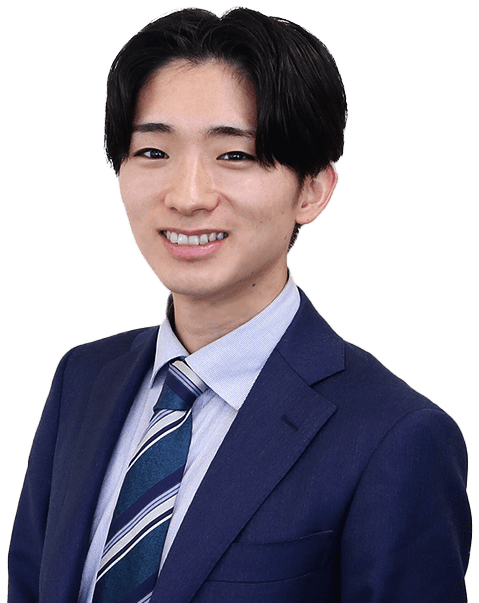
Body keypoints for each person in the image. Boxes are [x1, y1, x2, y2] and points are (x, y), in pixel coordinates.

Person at [7, 7, 471, 603]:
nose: (187, 196)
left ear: (312, 189)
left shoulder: (395, 437)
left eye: (235, 156)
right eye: (153, 152)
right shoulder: (83, 379)